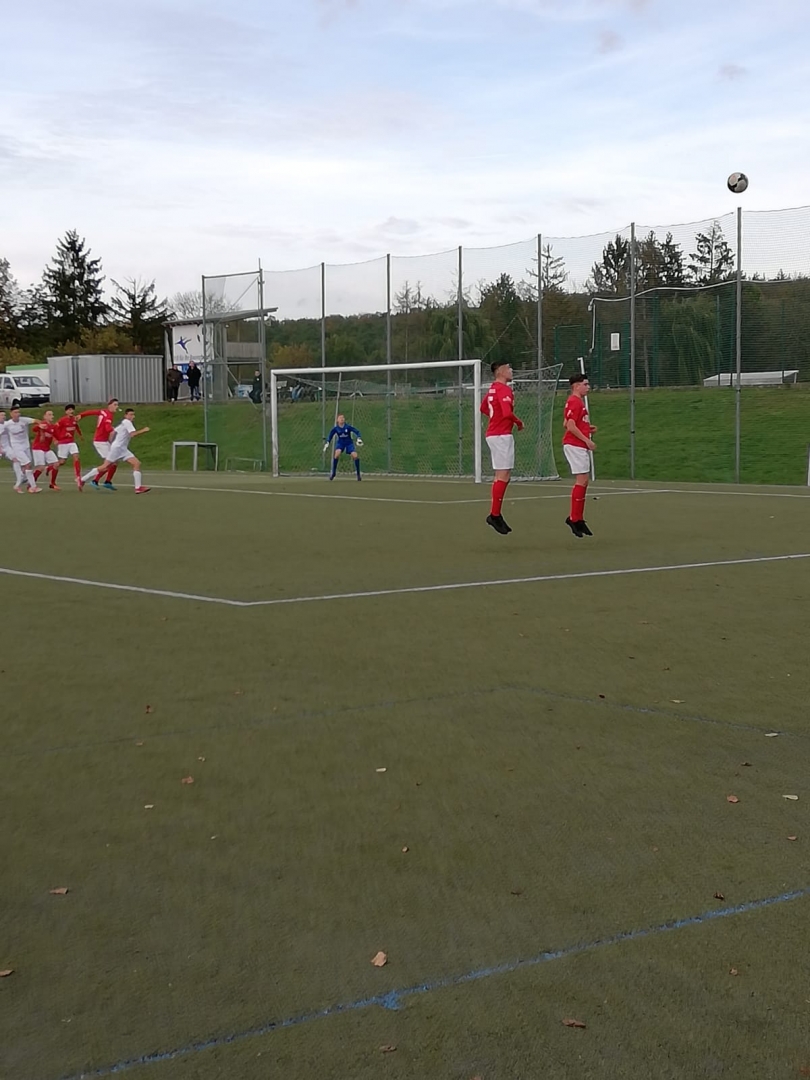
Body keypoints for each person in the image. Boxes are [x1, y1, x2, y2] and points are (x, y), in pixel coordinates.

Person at [480, 360, 523, 534]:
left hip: (493, 434)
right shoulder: (504, 389)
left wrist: (494, 417)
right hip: (501, 435)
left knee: (501, 474)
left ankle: (496, 514)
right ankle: (495, 514)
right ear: (500, 371)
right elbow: (506, 412)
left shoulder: (492, 389)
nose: (511, 370)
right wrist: (518, 422)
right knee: (504, 474)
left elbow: (483, 407)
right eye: (508, 368)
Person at [80, 408, 150, 493]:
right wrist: (144, 430)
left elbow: (112, 433)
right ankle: (83, 479)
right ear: (126, 415)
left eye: (133, 415)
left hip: (122, 448)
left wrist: (111, 442)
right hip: (117, 449)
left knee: (136, 463)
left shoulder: (122, 424)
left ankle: (138, 488)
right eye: (130, 414)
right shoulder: (127, 422)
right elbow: (132, 434)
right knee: (105, 466)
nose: (133, 416)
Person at [562, 373, 597, 538]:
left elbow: (566, 422)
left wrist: (587, 429)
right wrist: (587, 440)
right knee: (581, 480)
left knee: (584, 480)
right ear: (576, 386)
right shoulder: (574, 401)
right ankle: (574, 519)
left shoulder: (577, 402)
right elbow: (569, 426)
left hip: (577, 444)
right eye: (585, 384)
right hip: (575, 445)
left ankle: (578, 518)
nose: (588, 387)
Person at [79, 399, 119, 490]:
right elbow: (108, 427)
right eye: (115, 405)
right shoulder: (108, 415)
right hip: (100, 441)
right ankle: (86, 479)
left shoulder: (103, 411)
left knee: (114, 462)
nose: (117, 407)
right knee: (109, 463)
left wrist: (81, 415)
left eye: (117, 405)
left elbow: (91, 412)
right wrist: (113, 431)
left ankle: (107, 481)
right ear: (109, 405)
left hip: (103, 441)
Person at [2, 403, 40, 492]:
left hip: (26, 446)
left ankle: (18, 484)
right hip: (17, 447)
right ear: (11, 414)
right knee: (28, 464)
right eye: (15, 412)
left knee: (26, 467)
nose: (17, 414)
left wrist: (41, 425)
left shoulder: (24, 420)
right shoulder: (7, 424)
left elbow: (36, 421)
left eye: (18, 412)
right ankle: (33, 487)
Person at [53, 404, 84, 489]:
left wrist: (80, 435)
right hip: (63, 443)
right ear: (66, 411)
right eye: (69, 410)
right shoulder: (62, 420)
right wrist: (55, 439)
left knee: (76, 456)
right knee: (62, 462)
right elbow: (54, 429)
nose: (71, 411)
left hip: (71, 442)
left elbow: (76, 426)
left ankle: (78, 476)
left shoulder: (74, 420)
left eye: (72, 410)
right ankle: (50, 467)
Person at [323, 414, 363, 481]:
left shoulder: (348, 427)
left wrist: (359, 438)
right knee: (337, 454)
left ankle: (358, 474)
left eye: (343, 418)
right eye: (340, 418)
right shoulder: (336, 428)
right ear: (337, 420)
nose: (342, 419)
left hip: (349, 443)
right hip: (340, 443)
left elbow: (357, 431)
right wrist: (327, 442)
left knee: (355, 456)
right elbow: (330, 435)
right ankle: (333, 473)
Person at [31, 409, 60, 489]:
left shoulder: (53, 426)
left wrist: (60, 438)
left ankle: (52, 483)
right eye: (49, 414)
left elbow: (58, 436)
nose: (52, 416)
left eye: (52, 414)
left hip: (47, 449)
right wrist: (39, 426)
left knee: (56, 464)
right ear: (45, 416)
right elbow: (34, 429)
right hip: (38, 448)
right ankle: (30, 485)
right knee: (41, 467)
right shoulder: (43, 424)